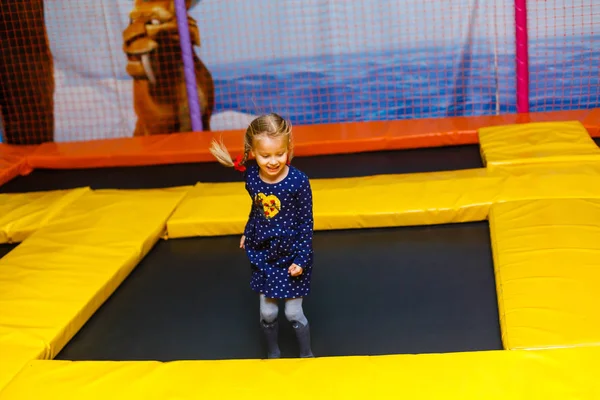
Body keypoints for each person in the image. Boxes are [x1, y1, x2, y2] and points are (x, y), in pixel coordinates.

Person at [209, 113, 315, 359]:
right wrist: (249, 230)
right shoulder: (252, 177)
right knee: (268, 314)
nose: (273, 161)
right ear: (253, 152)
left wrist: (301, 258)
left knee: (292, 313)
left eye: (279, 153)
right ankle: (272, 352)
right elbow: (257, 207)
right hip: (265, 253)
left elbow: (306, 223)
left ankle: (307, 354)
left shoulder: (298, 182)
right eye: (265, 155)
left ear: (288, 148)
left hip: (292, 255)